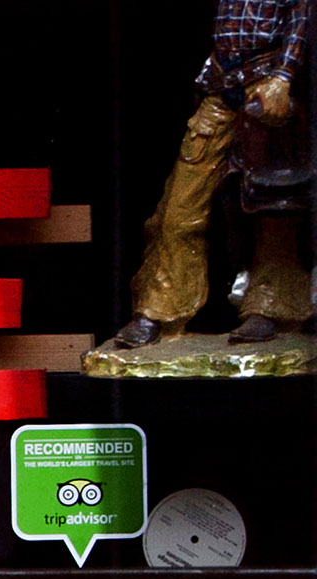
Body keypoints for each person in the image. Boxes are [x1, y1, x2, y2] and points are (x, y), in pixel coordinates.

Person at [118, 0, 311, 347]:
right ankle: (158, 308)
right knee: (178, 209)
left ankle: (270, 305)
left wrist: (283, 77)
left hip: (267, 89)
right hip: (222, 87)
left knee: (272, 204)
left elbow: (301, 23)